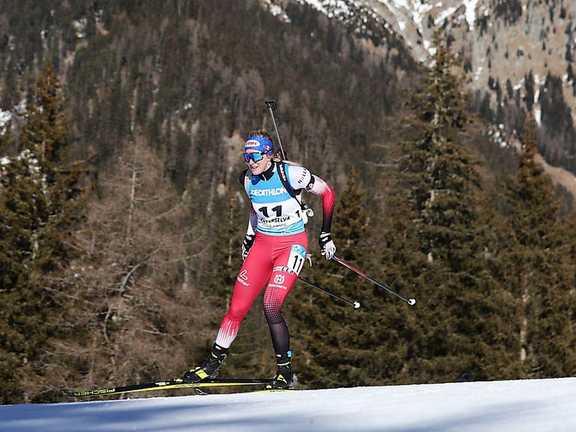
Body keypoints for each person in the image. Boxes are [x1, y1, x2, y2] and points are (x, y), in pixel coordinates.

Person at [182, 129, 336, 389]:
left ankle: (285, 372)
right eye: (246, 157)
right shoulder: (247, 180)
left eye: (254, 156)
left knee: (271, 304)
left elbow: (327, 193)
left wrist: (325, 235)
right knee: (236, 309)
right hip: (262, 246)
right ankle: (211, 367)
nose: (250, 162)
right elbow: (256, 212)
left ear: (268, 155)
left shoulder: (292, 174)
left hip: (291, 245)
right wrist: (248, 238)